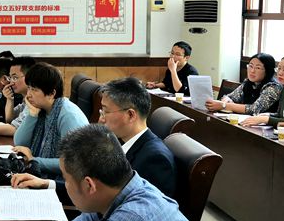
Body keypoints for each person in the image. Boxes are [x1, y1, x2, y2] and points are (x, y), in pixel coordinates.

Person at [52, 124, 218, 221]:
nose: (65, 184)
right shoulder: (119, 190)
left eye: (66, 179)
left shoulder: (133, 217)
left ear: (89, 185)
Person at [12, 77, 177, 199]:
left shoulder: (154, 159)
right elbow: (93, 189)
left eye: (105, 111)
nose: (101, 118)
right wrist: (45, 184)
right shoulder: (120, 142)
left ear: (130, 115)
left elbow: (138, 215)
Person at [13, 63, 88, 178]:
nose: (28, 95)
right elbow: (19, 143)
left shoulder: (68, 116)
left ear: (52, 93)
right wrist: (32, 115)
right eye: (29, 88)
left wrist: (34, 160)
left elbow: (73, 163)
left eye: (34, 90)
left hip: (65, 182)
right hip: (41, 176)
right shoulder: (41, 109)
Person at [205, 52, 282, 114]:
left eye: (258, 68)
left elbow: (254, 109)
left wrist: (224, 105)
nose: (252, 71)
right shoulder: (248, 82)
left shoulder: (273, 87)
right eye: (250, 66)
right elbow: (230, 97)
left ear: (268, 71)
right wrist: (226, 100)